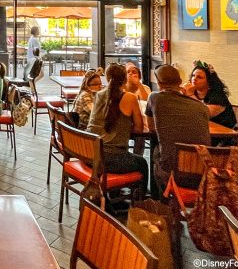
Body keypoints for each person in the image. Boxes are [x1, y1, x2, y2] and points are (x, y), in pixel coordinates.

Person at [145, 64, 211, 192]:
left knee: (157, 152)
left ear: (159, 83)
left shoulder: (155, 98)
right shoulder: (202, 107)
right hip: (201, 173)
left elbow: (151, 127)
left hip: (172, 173)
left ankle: (162, 198)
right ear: (180, 82)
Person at [87, 63, 148, 199]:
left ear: (107, 78)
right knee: (142, 163)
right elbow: (139, 128)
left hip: (90, 155)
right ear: (125, 79)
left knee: (127, 156)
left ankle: (115, 194)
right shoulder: (129, 97)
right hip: (109, 160)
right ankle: (140, 200)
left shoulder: (99, 95)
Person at [182, 61, 237, 128]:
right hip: (202, 130)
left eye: (199, 77)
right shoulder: (193, 93)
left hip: (224, 132)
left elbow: (204, 113)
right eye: (193, 75)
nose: (194, 79)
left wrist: (190, 95)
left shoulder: (218, 96)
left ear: (209, 82)